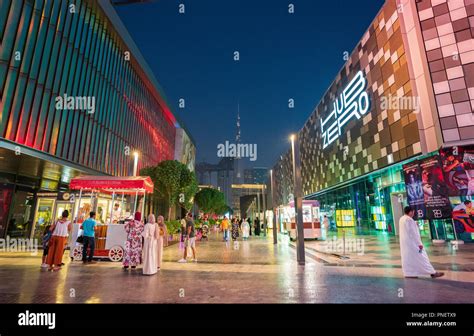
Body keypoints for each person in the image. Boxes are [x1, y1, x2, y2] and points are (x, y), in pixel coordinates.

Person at [399, 206, 444, 278]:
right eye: (413, 212)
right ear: (410, 212)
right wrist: (419, 244)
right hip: (413, 244)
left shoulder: (402, 219)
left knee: (408, 258)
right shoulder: (409, 220)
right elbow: (414, 234)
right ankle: (432, 273)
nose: (413, 213)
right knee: (422, 257)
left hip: (406, 244)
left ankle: (409, 273)